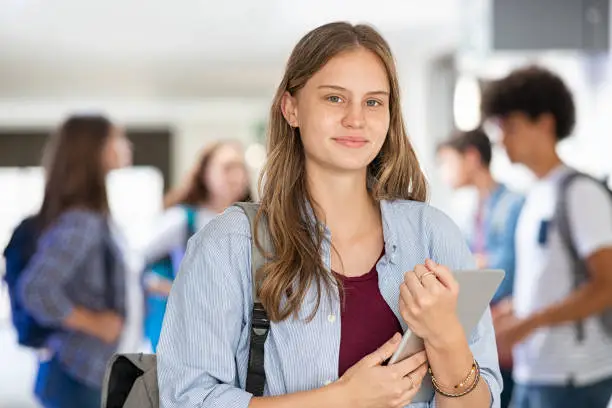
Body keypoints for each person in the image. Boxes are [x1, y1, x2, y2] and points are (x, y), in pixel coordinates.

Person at [158, 22, 502, 408]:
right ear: (291, 108)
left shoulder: (433, 236)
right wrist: (343, 398)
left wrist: (446, 339)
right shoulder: (231, 244)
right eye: (335, 99)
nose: (356, 119)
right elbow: (189, 399)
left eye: (373, 102)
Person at [481, 65, 612, 408]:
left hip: (573, 376)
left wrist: (530, 323)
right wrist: (512, 313)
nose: (501, 138)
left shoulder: (579, 193)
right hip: (536, 370)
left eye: (510, 126)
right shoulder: (536, 195)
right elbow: (548, 282)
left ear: (545, 123)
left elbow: (607, 285)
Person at [17, 114, 132, 408]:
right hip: (76, 373)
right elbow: (35, 290)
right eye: (115, 139)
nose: (126, 145)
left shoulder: (94, 217)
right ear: (94, 150)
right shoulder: (82, 221)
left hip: (85, 373)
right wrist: (94, 323)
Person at [437, 128, 524, 408]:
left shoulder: (513, 204)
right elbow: (457, 267)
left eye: (447, 162)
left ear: (472, 158)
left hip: (510, 328)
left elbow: (503, 273)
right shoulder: (469, 209)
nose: (443, 173)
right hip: (485, 322)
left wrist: (476, 264)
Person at [140, 140, 251, 350]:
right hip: (186, 338)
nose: (236, 176)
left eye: (241, 168)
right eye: (227, 168)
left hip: (230, 338)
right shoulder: (182, 220)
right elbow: (133, 261)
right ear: (205, 173)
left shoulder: (252, 223)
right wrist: (172, 289)